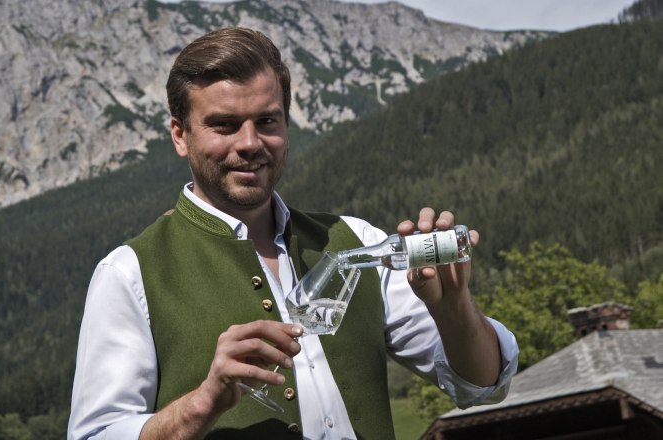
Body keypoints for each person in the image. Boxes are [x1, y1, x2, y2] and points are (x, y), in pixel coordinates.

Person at [68, 27, 519, 440]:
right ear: (180, 135)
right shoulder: (129, 273)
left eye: (267, 121)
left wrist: (454, 307)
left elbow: (482, 386)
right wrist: (203, 402)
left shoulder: (354, 239)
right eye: (224, 125)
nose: (249, 143)